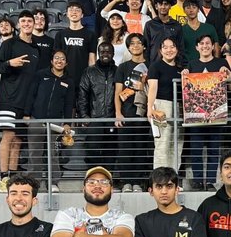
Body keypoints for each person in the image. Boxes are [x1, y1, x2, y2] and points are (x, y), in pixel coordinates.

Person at [0, 11, 40, 192]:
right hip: (8, 99)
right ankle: (3, 178)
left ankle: (12, 177)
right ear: (18, 25)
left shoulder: (36, 49)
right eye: (23, 21)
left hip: (26, 102)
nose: (27, 23)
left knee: (19, 140)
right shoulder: (9, 44)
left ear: (34, 23)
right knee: (8, 137)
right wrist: (10, 64)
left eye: (30, 21)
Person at [185, 33, 231, 190]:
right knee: (196, 149)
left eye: (208, 43)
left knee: (213, 149)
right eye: (202, 43)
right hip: (196, 115)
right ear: (197, 47)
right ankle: (198, 181)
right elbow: (185, 89)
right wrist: (184, 75)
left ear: (213, 46)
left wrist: (228, 73)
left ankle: (211, 181)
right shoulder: (191, 65)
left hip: (216, 114)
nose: (205, 46)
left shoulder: (221, 63)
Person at [24, 49, 74, 185]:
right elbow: (31, 94)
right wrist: (26, 114)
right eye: (56, 58)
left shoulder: (69, 81)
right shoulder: (40, 75)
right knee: (35, 153)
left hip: (56, 122)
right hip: (36, 119)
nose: (59, 61)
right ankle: (33, 183)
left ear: (66, 63)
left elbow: (69, 104)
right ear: (51, 61)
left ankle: (53, 182)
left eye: (62, 59)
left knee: (53, 153)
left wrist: (67, 123)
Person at [114, 34, 153, 192]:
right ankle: (126, 182)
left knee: (140, 148)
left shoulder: (151, 66)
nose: (136, 46)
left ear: (144, 46)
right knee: (125, 149)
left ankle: (137, 182)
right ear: (128, 48)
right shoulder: (123, 67)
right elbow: (117, 92)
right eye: (132, 44)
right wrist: (118, 113)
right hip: (126, 113)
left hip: (143, 114)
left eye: (139, 43)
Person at [78, 42, 120, 177]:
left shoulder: (118, 70)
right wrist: (84, 115)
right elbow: (82, 95)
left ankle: (108, 179)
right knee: (92, 150)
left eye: (108, 52)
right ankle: (93, 178)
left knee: (110, 152)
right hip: (94, 118)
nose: (105, 54)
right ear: (98, 53)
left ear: (113, 53)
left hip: (113, 118)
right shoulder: (89, 71)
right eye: (102, 52)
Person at [147, 37, 184, 173]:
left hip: (179, 107)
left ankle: (173, 177)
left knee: (177, 144)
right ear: (160, 50)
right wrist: (150, 108)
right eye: (165, 47)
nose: (169, 50)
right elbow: (152, 87)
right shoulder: (155, 66)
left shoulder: (181, 68)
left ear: (177, 49)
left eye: (172, 46)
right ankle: (160, 177)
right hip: (162, 105)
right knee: (163, 143)